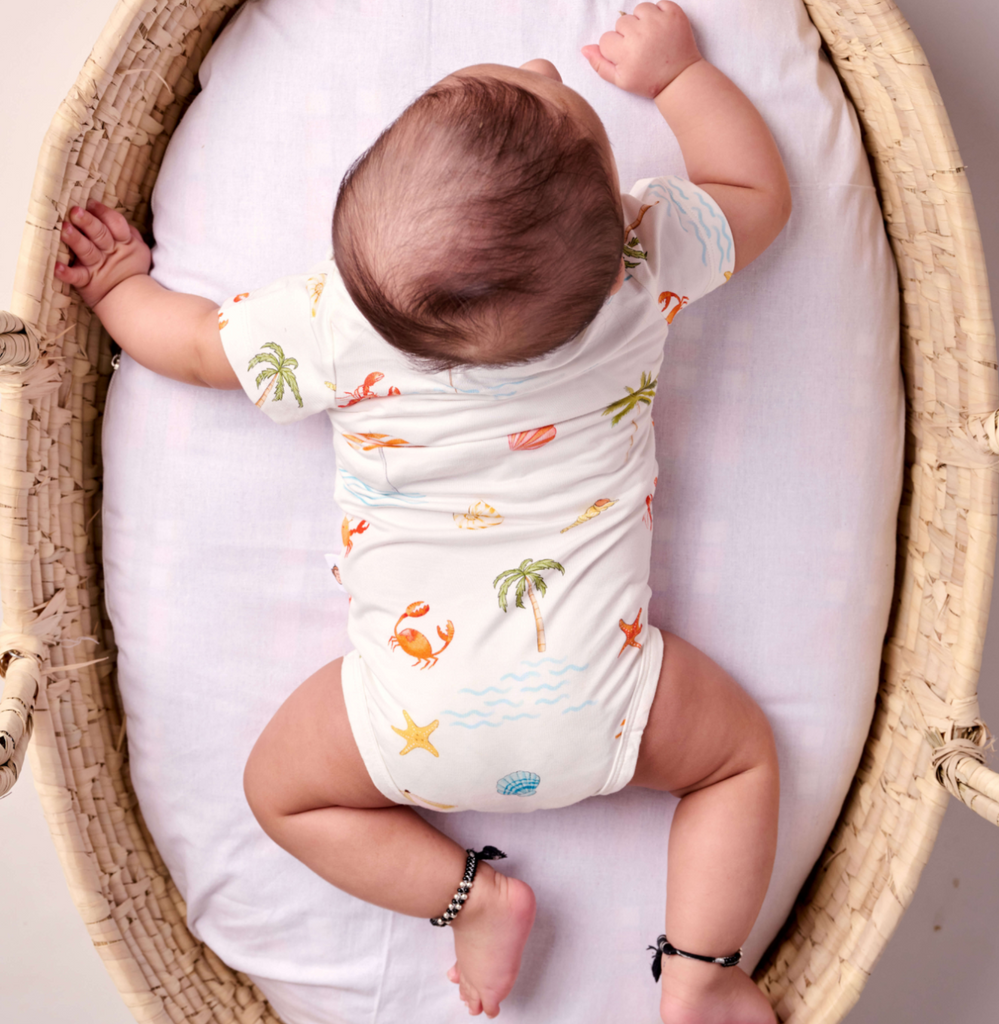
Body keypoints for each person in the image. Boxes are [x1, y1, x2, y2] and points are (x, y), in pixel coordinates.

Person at [56, 4, 789, 1021]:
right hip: (607, 693)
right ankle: (701, 973)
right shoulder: (640, 260)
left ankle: (469, 895)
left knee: (281, 793)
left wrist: (119, 290)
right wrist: (678, 82)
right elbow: (758, 191)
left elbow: (189, 346)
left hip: (407, 721)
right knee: (740, 758)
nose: (539, 58)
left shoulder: (333, 321)